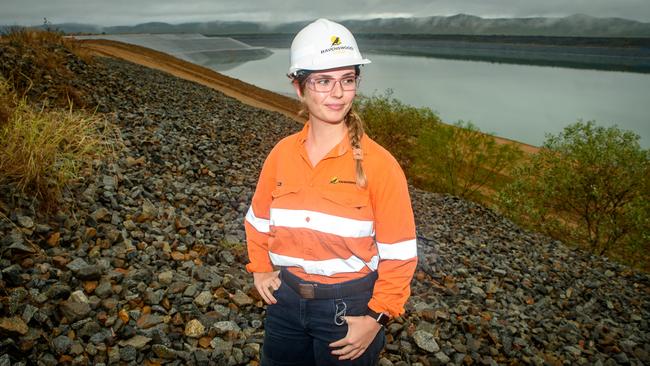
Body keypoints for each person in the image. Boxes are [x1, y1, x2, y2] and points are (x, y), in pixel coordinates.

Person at [244, 18, 418, 366]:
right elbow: (258, 221)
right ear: (299, 87)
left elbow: (400, 254)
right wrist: (260, 268)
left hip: (350, 309)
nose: (338, 94)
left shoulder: (380, 165)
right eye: (323, 81)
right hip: (285, 302)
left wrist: (376, 319)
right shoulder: (280, 155)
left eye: (347, 80)